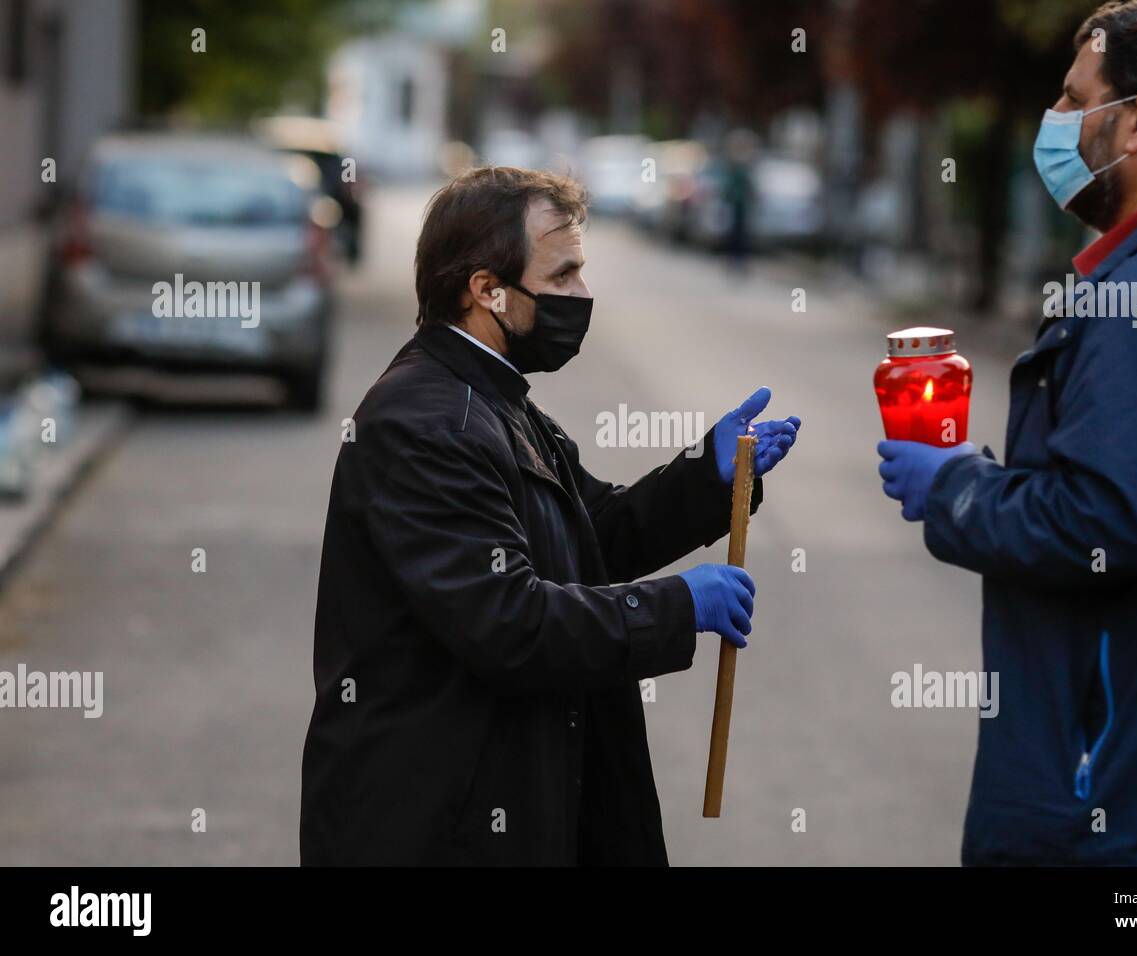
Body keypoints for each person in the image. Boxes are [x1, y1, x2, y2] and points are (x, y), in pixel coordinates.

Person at [877, 0, 1137, 865]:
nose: (1056, 126)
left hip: (1133, 801)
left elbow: (1105, 524)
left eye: (1076, 102)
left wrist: (954, 485)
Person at [300, 166, 800, 865]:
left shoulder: (495, 400)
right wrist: (677, 606)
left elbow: (591, 537)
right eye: (562, 276)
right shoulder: (429, 423)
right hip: (437, 827)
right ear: (486, 290)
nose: (582, 295)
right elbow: (508, 622)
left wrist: (710, 477)